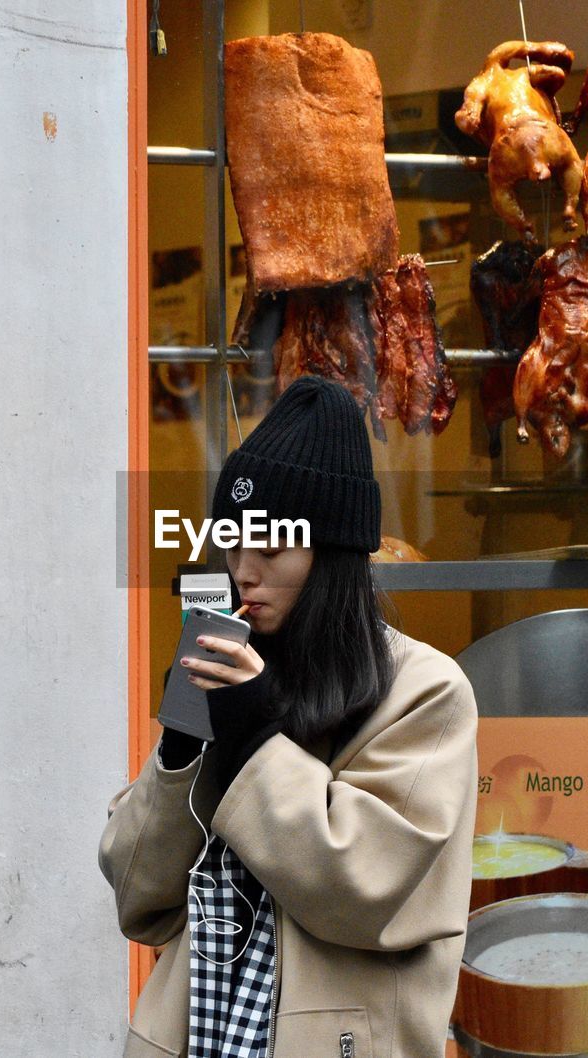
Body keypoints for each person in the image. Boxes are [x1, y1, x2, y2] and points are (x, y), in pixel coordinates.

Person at [100, 375, 479, 1058]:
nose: (244, 571)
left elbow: (360, 887)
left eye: (271, 548)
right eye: (233, 542)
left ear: (330, 555)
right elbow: (137, 898)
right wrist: (183, 746)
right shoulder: (231, 668)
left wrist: (253, 734)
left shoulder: (425, 691)